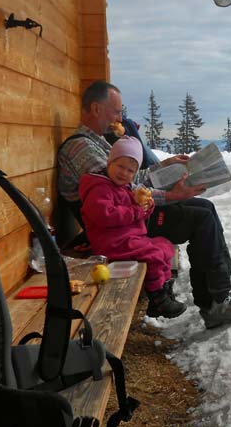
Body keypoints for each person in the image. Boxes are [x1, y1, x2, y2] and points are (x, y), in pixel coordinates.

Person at [57, 80, 231, 329]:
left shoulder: (98, 141)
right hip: (118, 227)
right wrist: (172, 196)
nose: (120, 118)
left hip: (130, 217)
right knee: (200, 219)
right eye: (117, 111)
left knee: (205, 208)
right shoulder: (81, 147)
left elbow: (128, 181)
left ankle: (222, 281)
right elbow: (124, 192)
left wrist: (164, 167)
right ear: (96, 109)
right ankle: (216, 302)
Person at [79, 136, 185, 318]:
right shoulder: (99, 188)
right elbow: (106, 216)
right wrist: (136, 211)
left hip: (129, 239)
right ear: (109, 162)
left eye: (130, 170)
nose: (124, 173)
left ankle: (165, 288)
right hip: (111, 243)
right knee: (154, 255)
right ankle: (157, 297)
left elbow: (136, 211)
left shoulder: (125, 187)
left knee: (164, 246)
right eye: (120, 166)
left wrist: (147, 206)